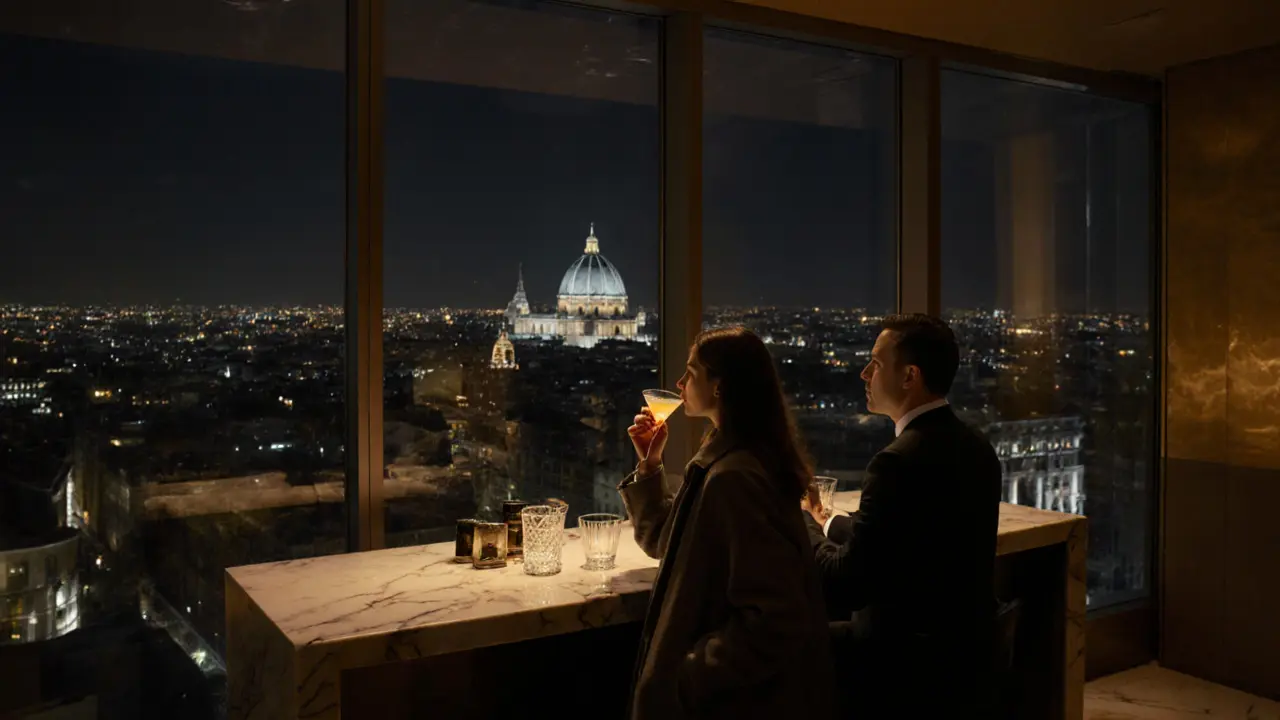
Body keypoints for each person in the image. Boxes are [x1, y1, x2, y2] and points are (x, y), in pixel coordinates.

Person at [620, 326, 834, 720]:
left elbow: (775, 617)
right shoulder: (732, 457)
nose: (680, 383)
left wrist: (688, 674)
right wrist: (650, 464)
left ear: (720, 387)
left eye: (691, 372)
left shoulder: (733, 475)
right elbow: (669, 543)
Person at [804, 313, 1002, 718]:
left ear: (909, 376)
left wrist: (802, 526)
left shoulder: (895, 462)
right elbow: (909, 537)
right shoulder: (976, 447)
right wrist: (826, 519)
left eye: (875, 363)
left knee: (778, 648)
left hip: (898, 667)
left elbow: (848, 584)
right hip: (966, 657)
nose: (863, 373)